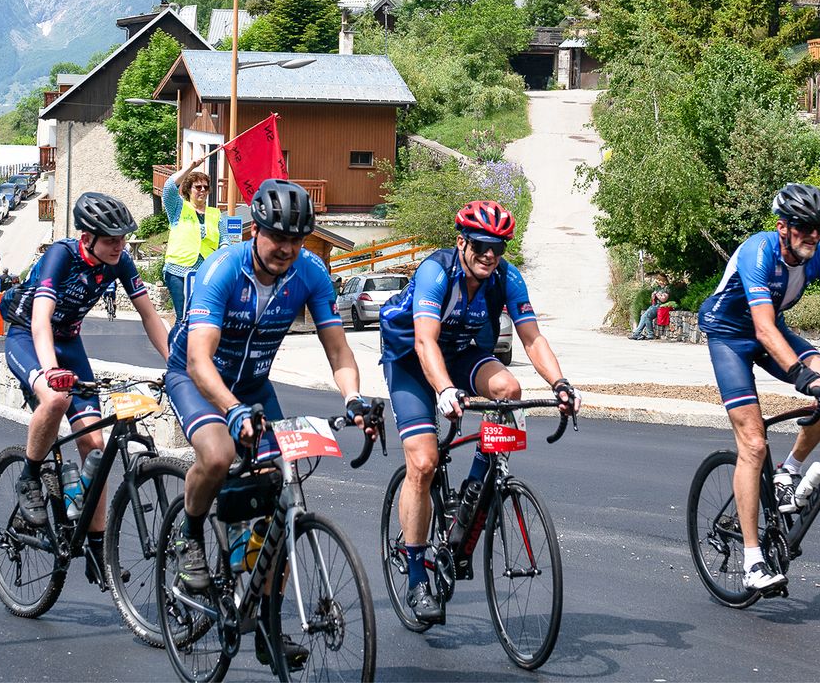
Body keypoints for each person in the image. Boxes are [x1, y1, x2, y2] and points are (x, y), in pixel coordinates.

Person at [165, 179, 380, 666]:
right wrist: (232, 408)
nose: (285, 248)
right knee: (218, 454)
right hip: (198, 378)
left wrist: (354, 398)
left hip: (255, 386)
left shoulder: (310, 272)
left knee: (281, 495)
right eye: (276, 237)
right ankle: (190, 533)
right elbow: (200, 360)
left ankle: (266, 622)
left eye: (295, 239)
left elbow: (337, 347)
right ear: (255, 229)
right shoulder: (222, 269)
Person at [378, 200, 582, 624]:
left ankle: (477, 483)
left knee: (508, 386)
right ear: (461, 243)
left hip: (461, 354)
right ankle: (417, 577)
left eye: (499, 247)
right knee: (423, 460)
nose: (490, 254)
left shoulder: (506, 277)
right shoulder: (437, 272)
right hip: (412, 359)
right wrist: (446, 390)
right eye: (481, 245)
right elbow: (425, 343)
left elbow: (532, 337)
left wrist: (561, 384)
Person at [698, 183, 820, 592]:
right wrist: (803, 376)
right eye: (804, 226)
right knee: (753, 443)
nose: (813, 234)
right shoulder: (759, 252)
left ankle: (787, 471)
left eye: (818, 227)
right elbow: (762, 328)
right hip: (730, 335)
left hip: (774, 331)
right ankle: (753, 561)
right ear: (783, 227)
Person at [0, 192, 168, 576]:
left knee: (95, 444)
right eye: (111, 239)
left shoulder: (119, 262)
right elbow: (40, 319)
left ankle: (96, 544)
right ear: (87, 236)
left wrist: (177, 364)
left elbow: (149, 315)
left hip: (70, 344)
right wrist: (50, 370)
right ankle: (29, 477)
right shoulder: (62, 256)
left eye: (123, 238)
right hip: (29, 338)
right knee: (56, 399)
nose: (119, 246)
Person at [161, 148, 227, 321]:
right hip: (178, 269)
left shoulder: (215, 214)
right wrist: (189, 167)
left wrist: (224, 252)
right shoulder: (178, 208)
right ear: (189, 189)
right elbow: (168, 187)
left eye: (206, 187)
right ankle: (176, 347)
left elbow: (224, 239)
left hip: (206, 270)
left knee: (204, 316)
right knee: (183, 316)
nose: (203, 190)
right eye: (198, 187)